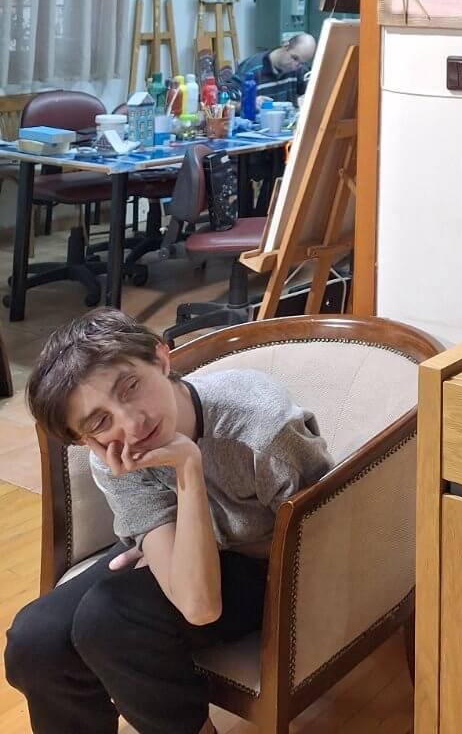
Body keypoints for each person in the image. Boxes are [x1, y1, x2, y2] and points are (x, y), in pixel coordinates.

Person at [5, 308, 333, 734]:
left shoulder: (261, 426)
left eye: (130, 386)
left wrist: (188, 468)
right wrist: (163, 543)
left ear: (161, 358)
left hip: (271, 565)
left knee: (109, 619)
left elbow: (204, 603)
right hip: (196, 545)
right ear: (86, 439)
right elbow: (183, 578)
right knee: (34, 639)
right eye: (100, 421)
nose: (132, 423)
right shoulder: (114, 453)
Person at [234, 31, 316, 106]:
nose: (295, 66)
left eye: (302, 63)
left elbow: (313, 92)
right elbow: (228, 104)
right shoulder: (251, 68)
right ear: (286, 46)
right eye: (294, 58)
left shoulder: (300, 69)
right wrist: (248, 103)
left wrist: (308, 98)